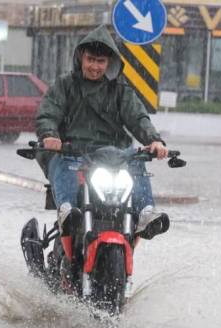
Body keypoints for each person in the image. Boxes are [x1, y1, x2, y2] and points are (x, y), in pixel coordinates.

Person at [36, 25, 169, 240]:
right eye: (91, 60)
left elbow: (137, 118)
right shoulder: (65, 85)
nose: (95, 67)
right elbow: (48, 113)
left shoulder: (120, 90)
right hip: (72, 150)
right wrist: (50, 136)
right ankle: (67, 211)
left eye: (100, 61)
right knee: (63, 162)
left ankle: (145, 212)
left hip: (112, 153)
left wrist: (154, 141)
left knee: (136, 161)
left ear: (109, 63)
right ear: (81, 58)